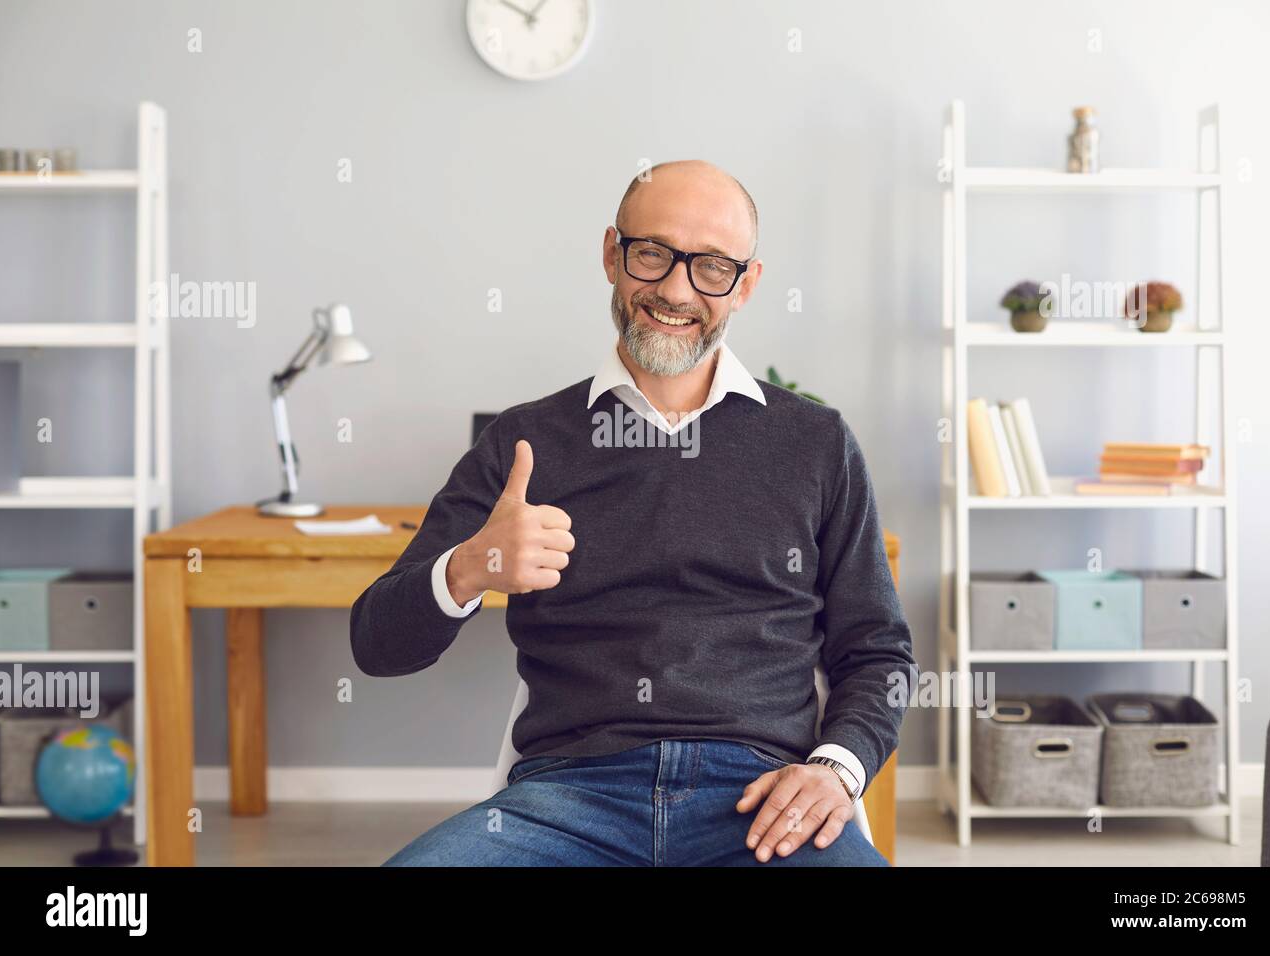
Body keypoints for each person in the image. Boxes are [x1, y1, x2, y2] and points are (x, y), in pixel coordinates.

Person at [350, 160, 916, 866]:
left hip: (763, 799)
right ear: (612, 255)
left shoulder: (816, 443)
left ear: (747, 285)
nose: (676, 290)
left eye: (711, 266)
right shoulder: (525, 443)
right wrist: (469, 568)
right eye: (653, 253)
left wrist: (836, 768)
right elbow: (377, 645)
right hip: (563, 802)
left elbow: (878, 652)